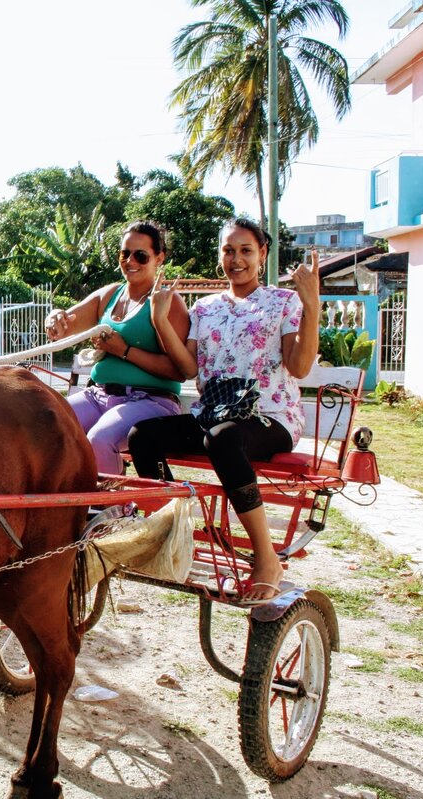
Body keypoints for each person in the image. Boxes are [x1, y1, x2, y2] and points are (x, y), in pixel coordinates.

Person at [128, 217, 320, 603]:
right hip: (214, 413)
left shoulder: (283, 302)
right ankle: (172, 532)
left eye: (246, 250)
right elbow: (188, 368)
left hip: (269, 416)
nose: (236, 259)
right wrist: (159, 320)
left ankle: (266, 559)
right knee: (143, 436)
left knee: (223, 439)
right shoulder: (206, 308)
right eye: (228, 250)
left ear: (262, 254)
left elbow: (299, 368)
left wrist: (311, 305)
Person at [44, 220, 190, 474]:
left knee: (100, 439)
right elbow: (64, 326)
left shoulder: (170, 303)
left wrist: (123, 350)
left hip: (150, 399)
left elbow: (178, 371)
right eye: (125, 253)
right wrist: (55, 316)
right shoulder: (109, 294)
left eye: (141, 255)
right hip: (99, 395)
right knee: (46, 426)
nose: (130, 261)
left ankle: (115, 510)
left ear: (159, 258)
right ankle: (66, 504)